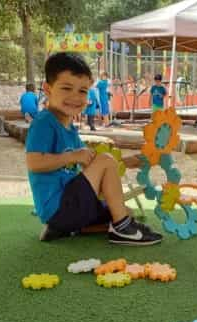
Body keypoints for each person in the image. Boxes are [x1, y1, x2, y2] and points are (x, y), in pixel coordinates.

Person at [25, 52, 162, 245]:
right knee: (108, 168)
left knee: (122, 211)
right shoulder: (44, 122)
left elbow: (92, 163)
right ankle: (122, 230)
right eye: (66, 88)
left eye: (82, 91)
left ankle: (63, 230)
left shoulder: (69, 128)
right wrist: (73, 156)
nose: (75, 97)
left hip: (70, 208)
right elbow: (34, 163)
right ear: (48, 89)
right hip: (59, 207)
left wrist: (127, 162)